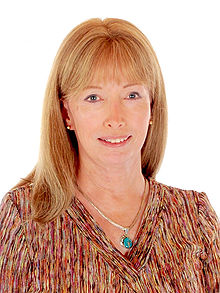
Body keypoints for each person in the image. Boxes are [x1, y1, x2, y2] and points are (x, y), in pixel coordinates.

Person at [0, 18, 219, 293]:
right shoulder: (25, 219)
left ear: (152, 107)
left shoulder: (194, 218)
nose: (115, 119)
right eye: (93, 98)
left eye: (131, 95)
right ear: (67, 113)